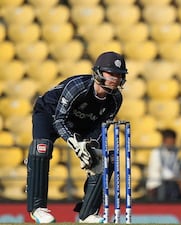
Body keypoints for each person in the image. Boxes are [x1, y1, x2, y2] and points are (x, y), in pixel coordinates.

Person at [26, 51, 128, 223]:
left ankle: (87, 212)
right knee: (41, 148)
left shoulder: (115, 99)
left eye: (119, 75)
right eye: (111, 73)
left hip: (84, 121)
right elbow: (59, 120)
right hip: (50, 114)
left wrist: (91, 151)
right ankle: (38, 208)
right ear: (98, 72)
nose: (115, 78)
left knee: (102, 159)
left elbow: (100, 128)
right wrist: (75, 143)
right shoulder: (78, 86)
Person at [146, 128, 181, 200]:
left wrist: (180, 179)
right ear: (164, 140)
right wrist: (179, 182)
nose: (172, 143)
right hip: (156, 185)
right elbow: (162, 170)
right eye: (170, 141)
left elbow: (175, 169)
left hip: (170, 184)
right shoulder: (156, 152)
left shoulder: (173, 152)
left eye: (173, 141)